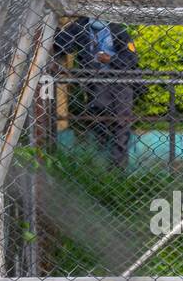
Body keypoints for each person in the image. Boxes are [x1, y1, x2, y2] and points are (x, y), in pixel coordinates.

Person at [52, 17, 141, 168]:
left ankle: (119, 165)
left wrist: (111, 59)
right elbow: (62, 45)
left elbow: (131, 59)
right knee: (99, 117)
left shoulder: (117, 29)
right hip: (95, 82)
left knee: (121, 122)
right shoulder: (81, 26)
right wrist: (54, 28)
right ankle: (100, 161)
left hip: (120, 82)